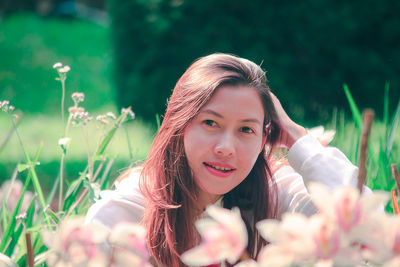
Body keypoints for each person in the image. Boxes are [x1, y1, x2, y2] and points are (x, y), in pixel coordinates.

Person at [86, 53, 369, 266]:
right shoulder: (125, 214)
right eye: (210, 123)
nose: (226, 148)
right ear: (179, 125)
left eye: (246, 129)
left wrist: (297, 138)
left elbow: (368, 227)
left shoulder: (277, 194)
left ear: (264, 139)